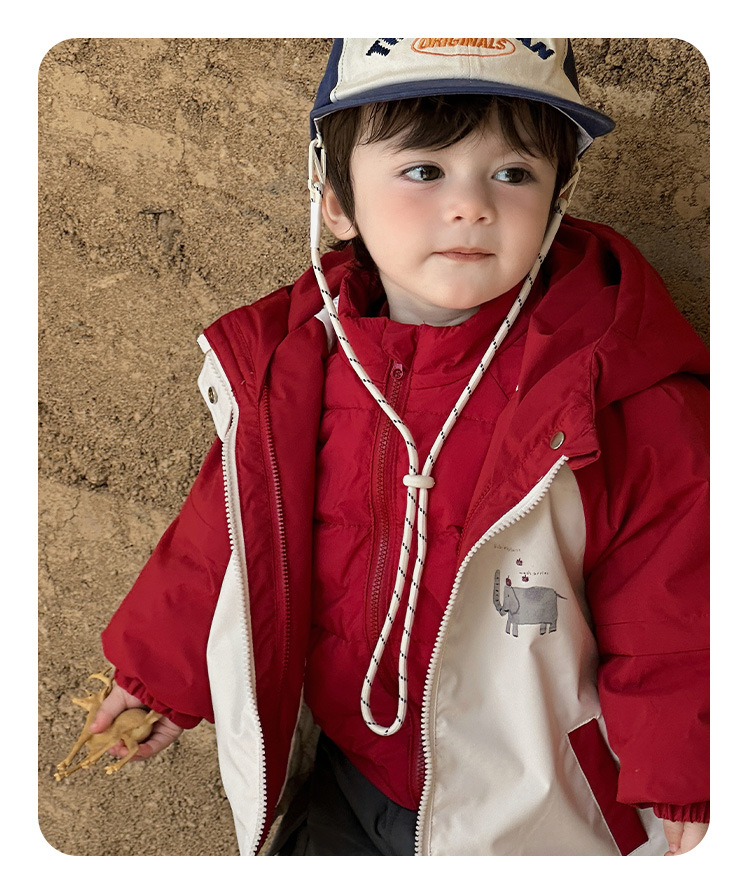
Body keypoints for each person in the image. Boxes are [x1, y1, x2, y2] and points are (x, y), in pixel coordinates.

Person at [89, 38, 709, 856]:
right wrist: (160, 675)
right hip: (351, 775)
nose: (472, 205)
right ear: (335, 200)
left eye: (513, 173)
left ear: (558, 198)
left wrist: (692, 780)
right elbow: (231, 531)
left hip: (528, 810)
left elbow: (681, 607)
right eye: (424, 170)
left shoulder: (616, 394)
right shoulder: (296, 366)